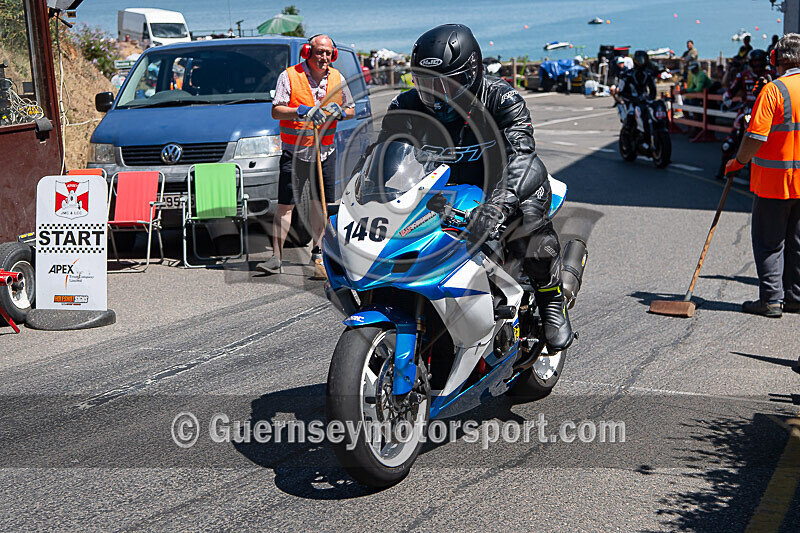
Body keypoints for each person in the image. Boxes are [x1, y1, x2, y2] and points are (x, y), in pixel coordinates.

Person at [373, 24, 575, 352]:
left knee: (526, 222)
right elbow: (382, 157)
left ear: (471, 75)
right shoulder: (405, 106)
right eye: (426, 84)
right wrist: (362, 201)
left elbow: (521, 156)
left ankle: (551, 298)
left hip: (504, 186)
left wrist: (497, 206)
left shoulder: (501, 98)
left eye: (446, 85)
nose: (436, 95)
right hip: (443, 191)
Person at [257, 34, 354, 275]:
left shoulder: (338, 78)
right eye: (319, 51)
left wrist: (339, 112)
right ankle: (276, 257)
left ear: (334, 55)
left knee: (318, 206)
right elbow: (276, 111)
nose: (324, 57)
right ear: (307, 52)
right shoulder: (289, 76)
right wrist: (300, 111)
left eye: (328, 53)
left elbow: (351, 109)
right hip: (295, 153)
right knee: (285, 206)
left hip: (324, 153)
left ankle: (318, 256)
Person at [725, 34, 800, 317]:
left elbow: (755, 136)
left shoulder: (774, 90)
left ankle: (770, 299)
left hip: (774, 183)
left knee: (769, 243)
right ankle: (794, 297)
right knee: (797, 242)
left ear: (775, 60)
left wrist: (738, 161)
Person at [617, 50, 657, 149]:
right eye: (640, 60)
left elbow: (653, 89)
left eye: (644, 59)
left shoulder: (648, 74)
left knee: (654, 111)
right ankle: (627, 140)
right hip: (631, 101)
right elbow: (621, 91)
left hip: (644, 100)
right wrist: (632, 98)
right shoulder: (628, 74)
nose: (642, 62)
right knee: (631, 115)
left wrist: (651, 97)